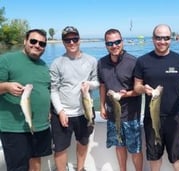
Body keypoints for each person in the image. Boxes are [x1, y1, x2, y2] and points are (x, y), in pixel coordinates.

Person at [134, 24, 179, 171]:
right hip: (152, 118)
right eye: (158, 38)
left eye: (166, 38)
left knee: (178, 159)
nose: (162, 41)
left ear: (171, 39)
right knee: (154, 158)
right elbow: (136, 86)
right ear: (153, 39)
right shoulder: (142, 61)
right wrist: (143, 88)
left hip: (174, 118)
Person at [0, 29, 52, 171]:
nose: (37, 45)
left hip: (40, 126)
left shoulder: (43, 65)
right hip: (14, 129)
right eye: (33, 41)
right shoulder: (6, 60)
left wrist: (48, 110)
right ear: (25, 41)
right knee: (19, 167)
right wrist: (6, 86)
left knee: (36, 163)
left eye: (42, 43)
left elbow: (46, 89)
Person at [50, 26, 99, 171]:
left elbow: (97, 82)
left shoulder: (91, 60)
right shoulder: (56, 63)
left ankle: (80, 168)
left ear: (79, 40)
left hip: (85, 112)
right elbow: (53, 90)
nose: (71, 42)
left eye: (74, 39)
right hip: (62, 113)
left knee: (83, 143)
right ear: (63, 42)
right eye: (67, 40)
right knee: (60, 148)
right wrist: (60, 111)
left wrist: (89, 85)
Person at [97, 28, 143, 171]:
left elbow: (139, 89)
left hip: (131, 115)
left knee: (135, 149)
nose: (114, 46)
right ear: (106, 45)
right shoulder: (102, 63)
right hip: (112, 115)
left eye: (117, 42)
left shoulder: (134, 62)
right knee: (119, 146)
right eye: (110, 43)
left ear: (122, 42)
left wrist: (125, 94)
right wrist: (102, 105)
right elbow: (103, 85)